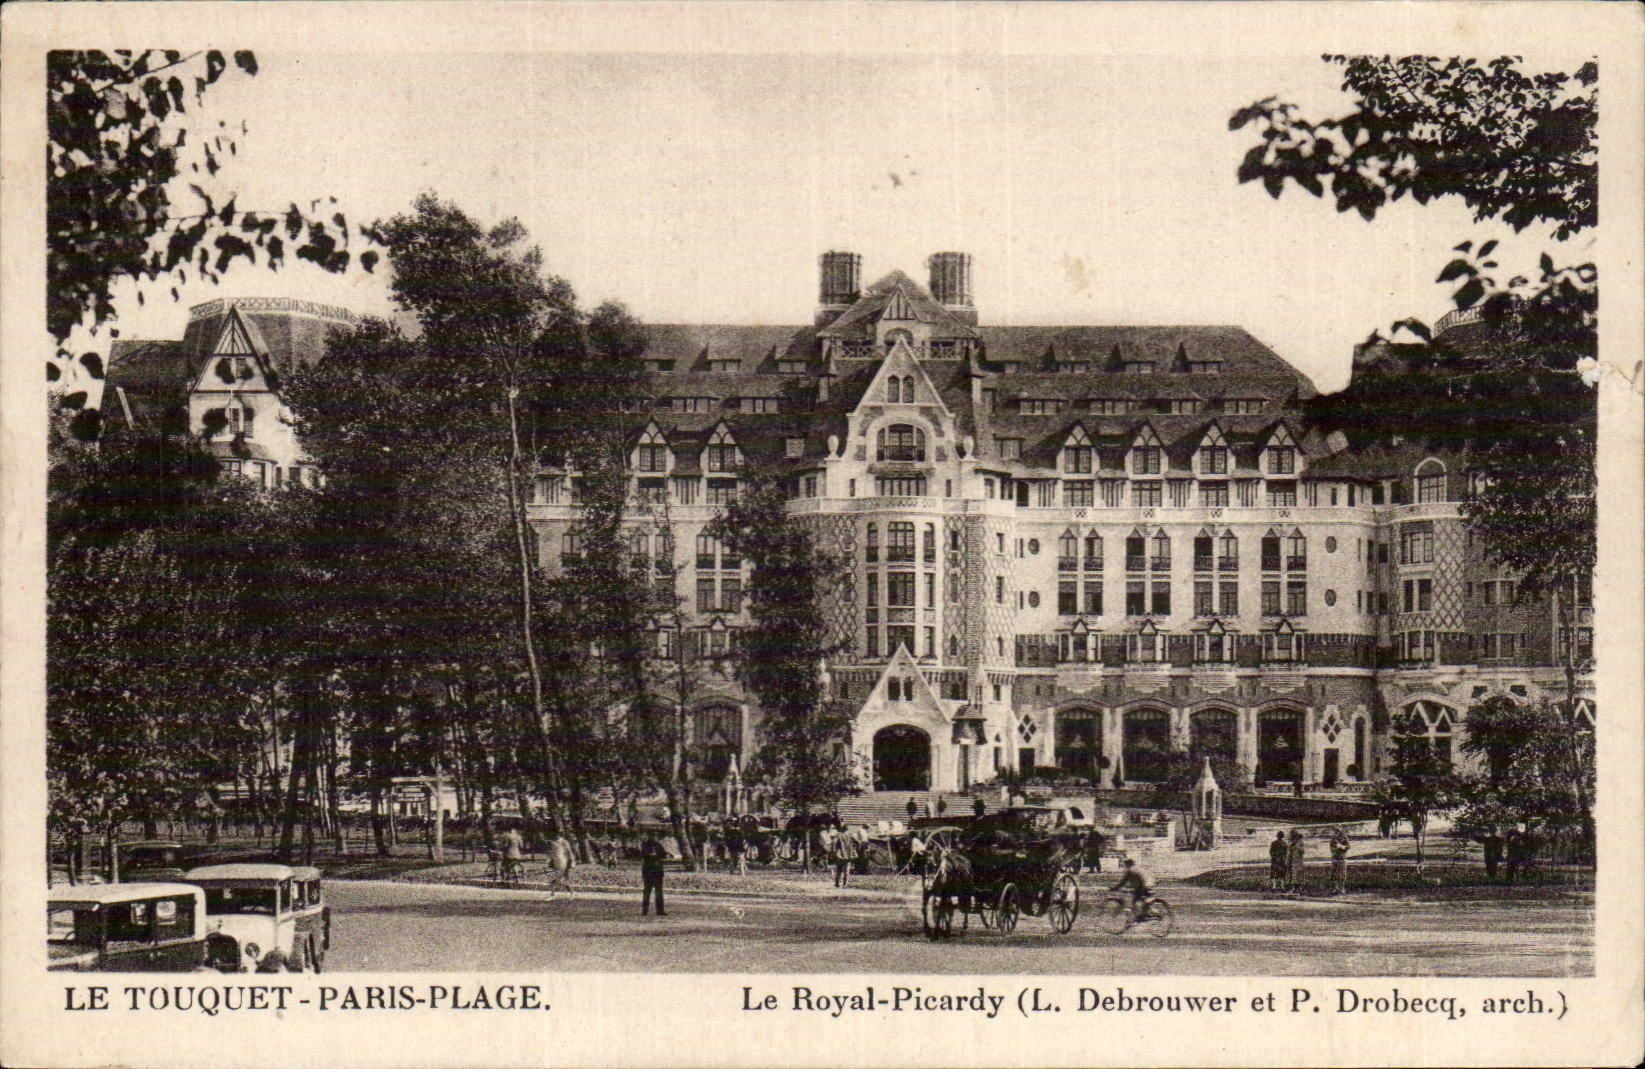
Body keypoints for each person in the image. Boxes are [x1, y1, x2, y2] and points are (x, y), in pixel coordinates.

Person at [1111, 856, 1155, 920]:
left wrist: (1115, 888)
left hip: (1145, 884)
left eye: (1126, 864)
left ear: (1128, 864)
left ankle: (1146, 914)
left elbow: (1123, 881)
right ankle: (1143, 914)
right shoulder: (1136, 868)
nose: (1125, 866)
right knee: (1137, 899)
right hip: (1148, 883)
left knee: (1137, 898)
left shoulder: (1130, 870)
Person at [640, 837, 667, 916]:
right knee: (658, 891)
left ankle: (645, 910)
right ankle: (659, 911)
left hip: (648, 871)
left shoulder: (644, 845)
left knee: (647, 891)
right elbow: (664, 855)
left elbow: (642, 855)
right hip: (656, 870)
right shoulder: (658, 845)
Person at [1329, 828, 1350, 895]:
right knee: (1334, 874)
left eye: (1337, 831)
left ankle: (1342, 889)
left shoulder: (1344, 838)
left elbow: (1348, 846)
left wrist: (1342, 847)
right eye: (1335, 831)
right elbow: (1331, 847)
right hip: (1335, 858)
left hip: (1342, 857)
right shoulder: (1333, 839)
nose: (1336, 833)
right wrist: (1334, 850)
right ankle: (1335, 888)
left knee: (1342, 874)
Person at [1287, 829, 1306, 894]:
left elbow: (1303, 851)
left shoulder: (1300, 843)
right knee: (1293, 875)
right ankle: (1294, 888)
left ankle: (1299, 888)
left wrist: (1296, 846)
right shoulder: (1291, 844)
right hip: (1293, 861)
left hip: (1299, 861)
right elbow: (1289, 853)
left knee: (1298, 875)